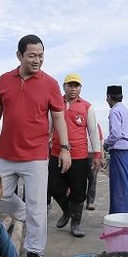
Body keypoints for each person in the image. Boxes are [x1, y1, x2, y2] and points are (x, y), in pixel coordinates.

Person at [0, 34, 72, 257]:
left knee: (36, 204)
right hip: (6, 154)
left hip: (35, 156)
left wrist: (64, 148)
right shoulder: (4, 80)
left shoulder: (50, 83)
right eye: (32, 55)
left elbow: (58, 117)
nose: (37, 60)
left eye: (41, 56)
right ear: (19, 55)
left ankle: (35, 252)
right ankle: (31, 217)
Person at [48, 73, 102, 237]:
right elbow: (49, 127)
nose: (73, 88)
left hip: (79, 156)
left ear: (80, 88)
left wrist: (97, 155)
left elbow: (92, 132)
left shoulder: (87, 107)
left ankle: (76, 224)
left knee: (79, 191)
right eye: (70, 85)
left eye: (76, 85)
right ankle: (67, 211)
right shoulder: (56, 104)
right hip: (56, 153)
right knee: (52, 186)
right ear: (64, 86)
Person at [104, 85, 128, 214]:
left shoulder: (114, 111)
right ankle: (127, 213)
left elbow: (116, 134)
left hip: (119, 151)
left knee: (118, 186)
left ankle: (120, 216)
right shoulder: (127, 111)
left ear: (109, 97)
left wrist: (105, 143)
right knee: (126, 184)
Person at [85, 123, 104, 211]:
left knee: (93, 179)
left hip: (92, 154)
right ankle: (78, 201)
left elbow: (100, 141)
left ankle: (90, 202)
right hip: (79, 153)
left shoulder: (96, 125)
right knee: (78, 179)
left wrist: (101, 157)